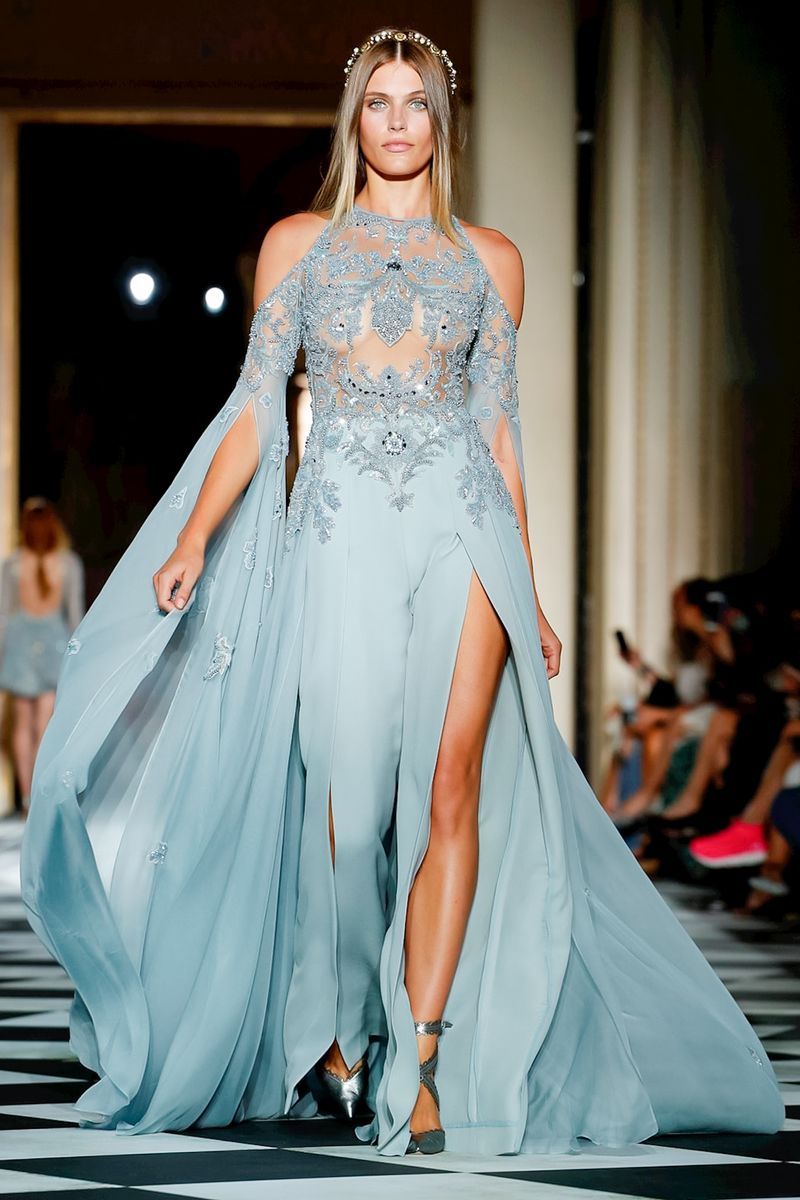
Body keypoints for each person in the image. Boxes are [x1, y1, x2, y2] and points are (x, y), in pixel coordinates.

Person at [19, 26, 783, 1158]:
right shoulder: (298, 246)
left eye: (414, 102)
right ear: (353, 121)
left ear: (440, 121)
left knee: (450, 785)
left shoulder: (492, 260)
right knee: (346, 805)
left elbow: (500, 437)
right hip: (340, 535)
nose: (395, 121)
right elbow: (256, 408)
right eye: (377, 102)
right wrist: (192, 537)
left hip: (463, 531)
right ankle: (338, 1028)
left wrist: (529, 591)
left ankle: (419, 1059)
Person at [0, 497, 84, 812]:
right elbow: (74, 615)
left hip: (20, 645)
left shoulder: (13, 565)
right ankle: (39, 797)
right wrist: (78, 657)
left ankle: (26, 798)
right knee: (44, 726)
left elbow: (3, 615)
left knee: (22, 725)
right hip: (54, 645)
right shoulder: (68, 564)